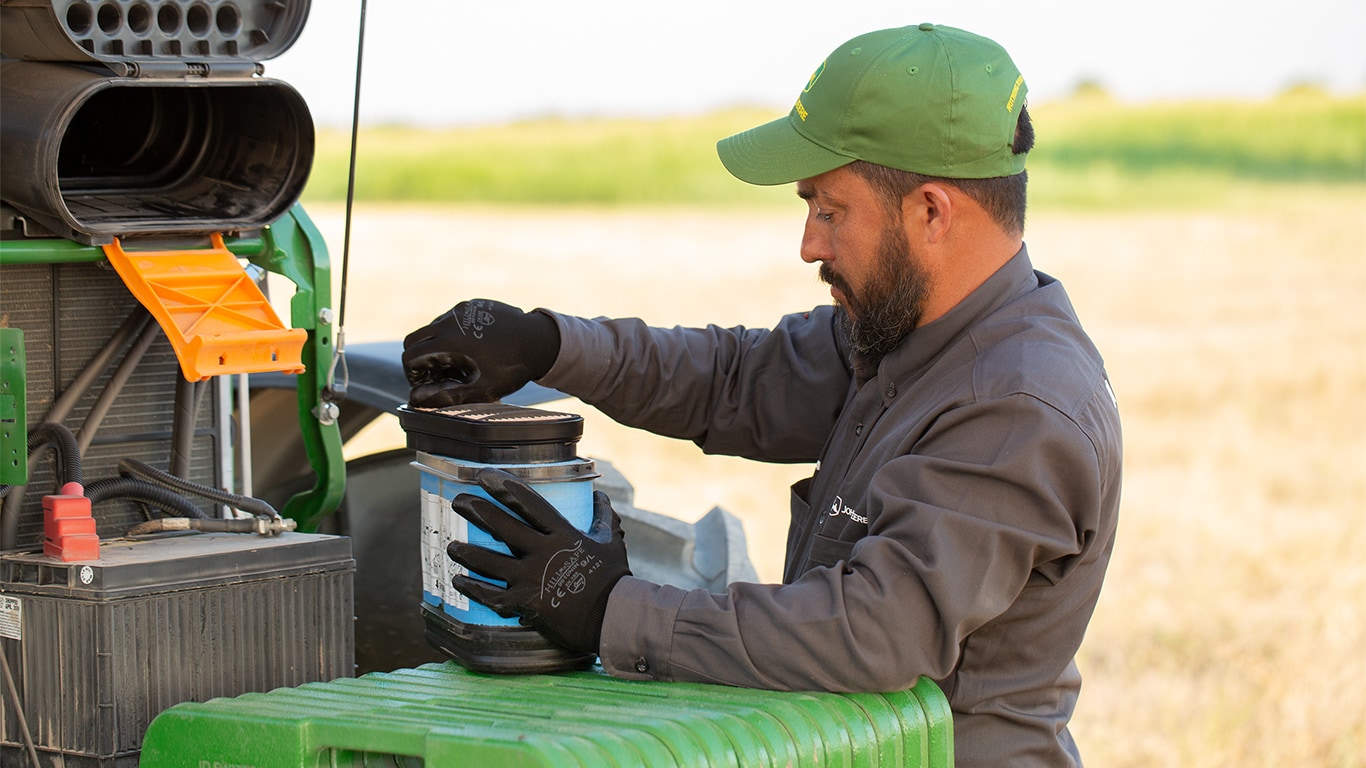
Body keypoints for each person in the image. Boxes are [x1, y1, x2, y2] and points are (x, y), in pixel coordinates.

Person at [403, 23, 1121, 768]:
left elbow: (876, 629)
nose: (809, 244)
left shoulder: (1018, 406)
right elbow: (733, 380)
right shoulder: (905, 335)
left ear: (932, 212)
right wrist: (545, 344)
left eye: (830, 210)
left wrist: (612, 609)